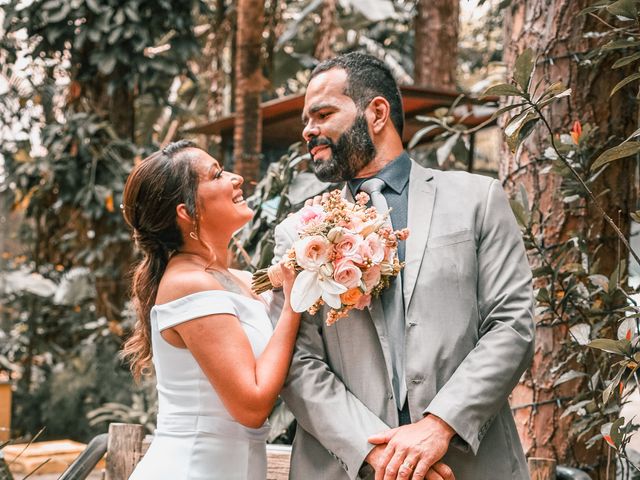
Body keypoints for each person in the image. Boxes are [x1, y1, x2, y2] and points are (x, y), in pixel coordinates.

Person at [272, 52, 535, 480]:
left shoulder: (478, 199)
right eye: (306, 119)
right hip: (350, 468)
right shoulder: (296, 235)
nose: (308, 130)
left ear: (377, 112)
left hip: (468, 465)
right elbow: (297, 363)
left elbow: (513, 324)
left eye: (322, 113)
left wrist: (439, 425)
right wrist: (381, 456)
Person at [121, 140, 301, 480]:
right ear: (186, 212)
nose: (236, 178)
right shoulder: (186, 283)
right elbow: (251, 405)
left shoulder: (237, 279)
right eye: (217, 174)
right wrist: (294, 302)